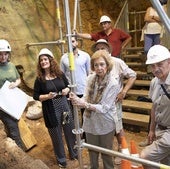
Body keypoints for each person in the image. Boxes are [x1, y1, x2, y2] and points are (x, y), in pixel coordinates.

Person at [69, 50, 120, 169]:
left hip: (106, 123)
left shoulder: (113, 83)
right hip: (90, 121)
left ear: (107, 65)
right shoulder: (90, 79)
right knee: (92, 152)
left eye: (102, 64)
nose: (99, 68)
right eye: (96, 65)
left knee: (106, 153)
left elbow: (104, 108)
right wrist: (77, 99)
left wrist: (84, 104)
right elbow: (86, 97)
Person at [91, 39, 136, 164]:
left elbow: (133, 75)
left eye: (103, 48)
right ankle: (107, 153)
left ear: (108, 49)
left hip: (114, 102)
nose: (100, 51)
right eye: (98, 48)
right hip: (100, 104)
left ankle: (122, 151)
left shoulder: (117, 62)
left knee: (117, 127)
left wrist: (124, 91)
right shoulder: (96, 64)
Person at [33, 48, 77, 168]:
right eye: (41, 60)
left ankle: (74, 153)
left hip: (64, 106)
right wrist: (47, 96)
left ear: (50, 60)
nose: (43, 62)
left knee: (69, 129)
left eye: (45, 59)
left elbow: (68, 86)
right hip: (50, 110)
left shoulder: (60, 74)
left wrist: (66, 90)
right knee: (56, 134)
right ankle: (61, 159)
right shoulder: (39, 79)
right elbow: (35, 96)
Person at [140, 44, 170, 168]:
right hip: (159, 129)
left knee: (145, 156)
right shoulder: (154, 82)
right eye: (152, 66)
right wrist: (151, 130)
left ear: (169, 62)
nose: (156, 69)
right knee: (165, 162)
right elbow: (154, 107)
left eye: (159, 64)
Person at [60, 36, 91, 127]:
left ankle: (85, 134)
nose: (71, 43)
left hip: (83, 89)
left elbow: (89, 73)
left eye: (73, 41)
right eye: (68, 42)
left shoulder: (85, 56)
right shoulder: (63, 58)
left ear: (77, 42)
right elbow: (62, 75)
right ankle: (69, 133)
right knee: (67, 112)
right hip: (70, 91)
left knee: (85, 114)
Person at [0, 39, 25, 150]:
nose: (3, 57)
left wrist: (16, 84)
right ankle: (19, 151)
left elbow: (19, 79)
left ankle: (15, 150)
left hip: (13, 102)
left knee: (13, 125)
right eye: (0, 54)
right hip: (2, 104)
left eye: (5, 54)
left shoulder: (11, 66)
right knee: (12, 126)